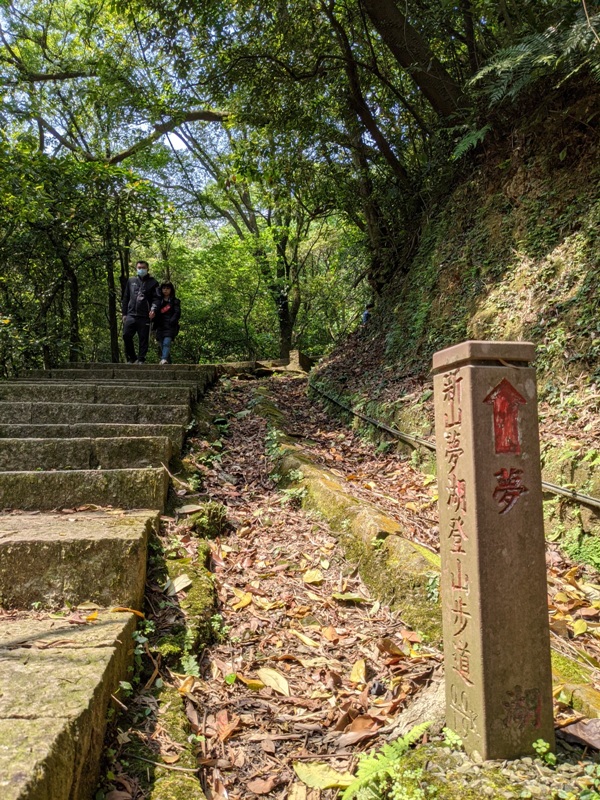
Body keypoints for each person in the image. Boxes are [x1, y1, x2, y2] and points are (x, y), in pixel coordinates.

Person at [121, 260, 161, 364]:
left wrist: (153, 309)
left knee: (143, 338)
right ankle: (132, 358)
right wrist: (124, 313)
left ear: (147, 269)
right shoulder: (131, 281)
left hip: (145, 316)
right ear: (136, 268)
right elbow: (126, 298)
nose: (141, 269)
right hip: (131, 314)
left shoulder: (153, 282)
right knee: (126, 335)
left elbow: (157, 298)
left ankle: (141, 359)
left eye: (143, 268)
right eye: (139, 268)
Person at [155, 281, 181, 364]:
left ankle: (163, 359)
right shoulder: (158, 301)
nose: (165, 290)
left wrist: (172, 321)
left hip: (170, 326)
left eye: (168, 288)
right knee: (162, 344)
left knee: (166, 343)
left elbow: (177, 313)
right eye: (164, 288)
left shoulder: (175, 301)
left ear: (171, 290)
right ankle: (168, 362)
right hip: (160, 326)